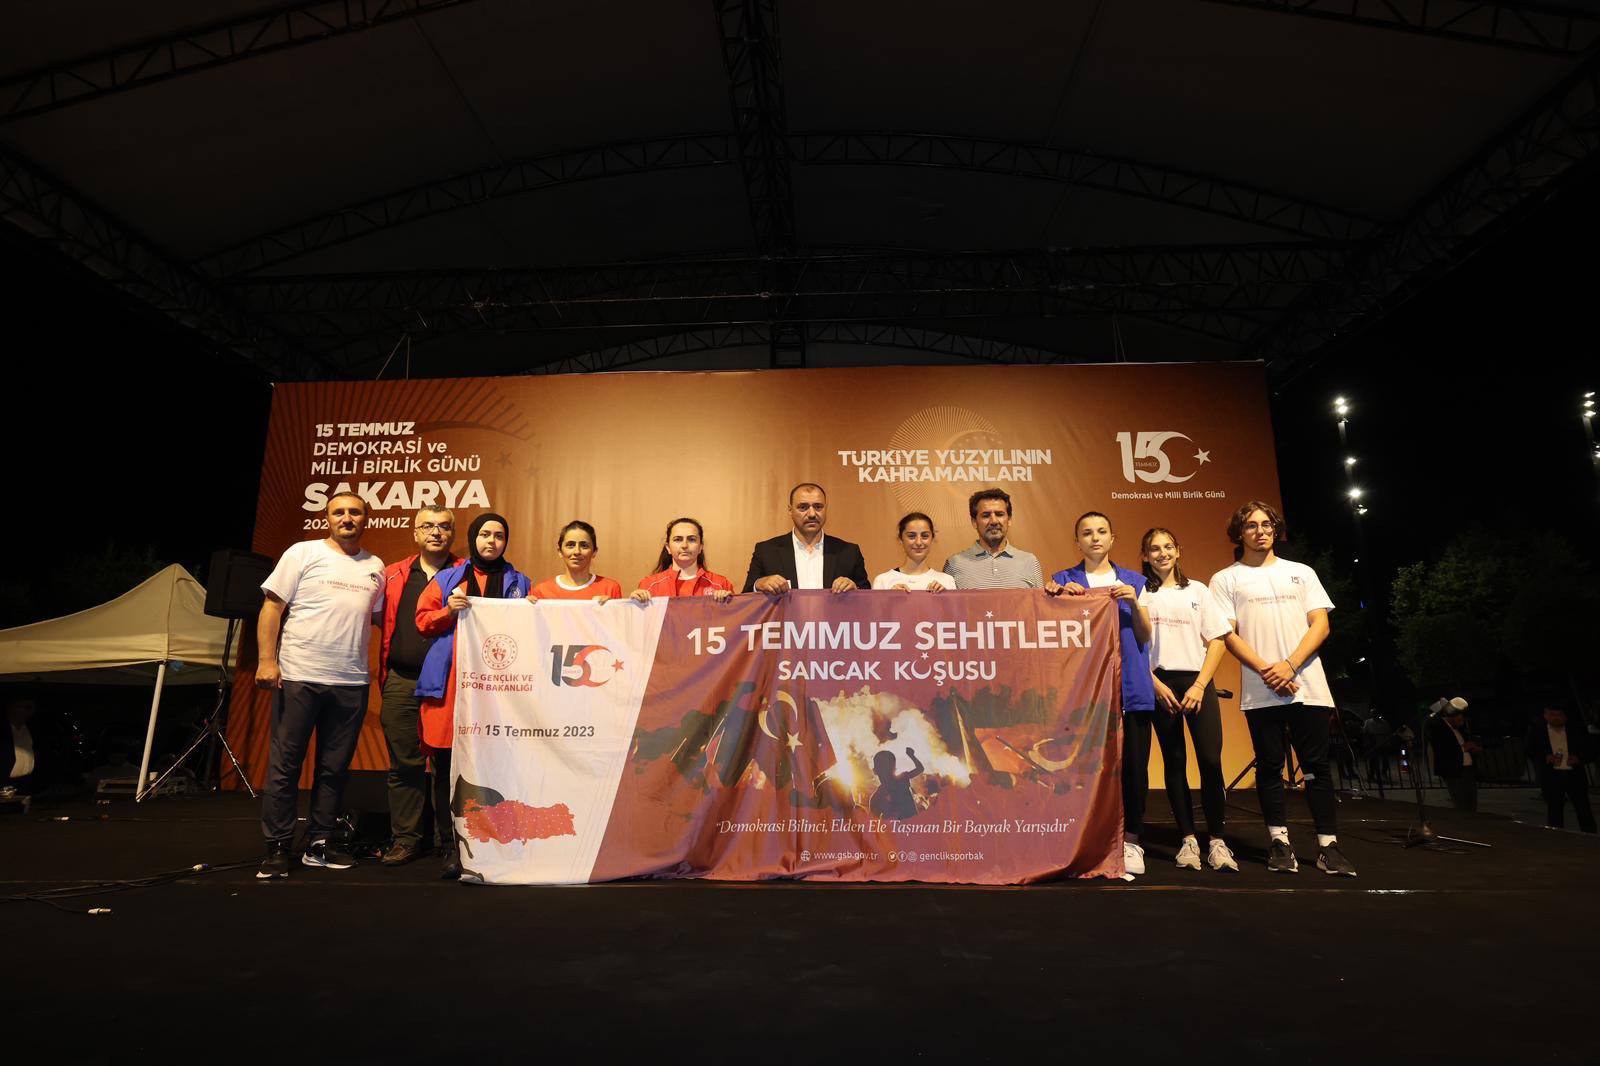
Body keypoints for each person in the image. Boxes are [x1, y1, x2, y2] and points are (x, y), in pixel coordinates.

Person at [1202, 501, 1356, 876]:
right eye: (1252, 525)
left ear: (1275, 529)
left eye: (1267, 524)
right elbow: (1226, 634)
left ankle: (1328, 846)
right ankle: (1279, 843)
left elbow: (1321, 625)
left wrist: (1289, 665)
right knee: (1269, 766)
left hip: (1308, 685)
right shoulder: (1225, 579)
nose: (1261, 531)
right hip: (1261, 690)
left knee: (1316, 768)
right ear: (1239, 533)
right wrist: (1267, 670)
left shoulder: (1301, 573)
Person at [255, 491, 385, 879]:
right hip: (299, 675)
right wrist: (266, 660)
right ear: (327, 518)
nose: (347, 518)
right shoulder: (302, 553)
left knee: (334, 769)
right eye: (338, 512)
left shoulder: (375, 566)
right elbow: (271, 608)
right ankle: (278, 847)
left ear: (366, 519)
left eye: (355, 512)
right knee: (285, 765)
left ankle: (319, 844)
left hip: (351, 681)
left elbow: (379, 620)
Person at [414, 513, 533, 877]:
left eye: (499, 535)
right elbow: (422, 621)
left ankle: (494, 842)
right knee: (447, 766)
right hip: (451, 685)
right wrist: (447, 611)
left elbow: (532, 628)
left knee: (497, 765)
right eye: (484, 534)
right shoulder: (447, 579)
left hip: (499, 691)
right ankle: (450, 846)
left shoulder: (520, 582)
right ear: (472, 538)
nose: (491, 541)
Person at [1047, 511, 1156, 876]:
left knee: (1134, 767)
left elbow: (1144, 635)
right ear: (1077, 541)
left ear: (1112, 538)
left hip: (1131, 685)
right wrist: (1060, 599)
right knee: (1085, 767)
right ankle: (1084, 841)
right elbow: (1052, 633)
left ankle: (1133, 841)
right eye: (1087, 533)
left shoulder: (1135, 581)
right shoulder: (1063, 580)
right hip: (1085, 691)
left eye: (1101, 531)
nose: (1094, 538)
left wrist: (1134, 603)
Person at [1138, 526, 1235, 872]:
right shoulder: (1140, 593)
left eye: (1168, 546)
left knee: (1210, 760)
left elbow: (1218, 640)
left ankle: (1218, 842)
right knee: (1174, 761)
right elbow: (1132, 647)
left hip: (1197, 682)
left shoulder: (1198, 590)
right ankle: (1188, 840)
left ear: (1178, 550)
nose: (1162, 553)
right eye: (1154, 548)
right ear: (1145, 555)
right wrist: (1153, 684)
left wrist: (1199, 685)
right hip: (1160, 686)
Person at [375, 506, 463, 867]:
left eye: (444, 526)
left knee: (448, 764)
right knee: (404, 764)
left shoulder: (468, 573)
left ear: (453, 533)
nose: (436, 532)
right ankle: (406, 839)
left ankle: (450, 842)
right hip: (402, 680)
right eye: (427, 526)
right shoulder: (393, 574)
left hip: (450, 685)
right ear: (415, 533)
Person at [744, 483, 869, 595]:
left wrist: (855, 589)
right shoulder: (766, 551)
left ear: (826, 508)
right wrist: (758, 584)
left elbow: (868, 598)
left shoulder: (849, 552)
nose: (812, 514)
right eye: (803, 507)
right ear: (790, 510)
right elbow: (744, 599)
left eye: (818, 507)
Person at [941, 489, 1045, 589]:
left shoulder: (1030, 561)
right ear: (974, 522)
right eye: (986, 515)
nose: (994, 521)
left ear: (1009, 519)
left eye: (999, 514)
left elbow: (1040, 601)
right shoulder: (954, 564)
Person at [1524, 701, 1595, 833]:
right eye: (1552, 715)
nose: (1556, 718)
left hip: (1574, 775)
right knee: (1555, 810)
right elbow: (1530, 750)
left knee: (1583, 808)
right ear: (1545, 716)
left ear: (1565, 716)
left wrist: (1578, 758)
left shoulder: (1576, 730)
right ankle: (1556, 837)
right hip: (1552, 776)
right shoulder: (1538, 731)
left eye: (1559, 715)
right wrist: (1546, 757)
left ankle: (1590, 836)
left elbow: (1590, 750)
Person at [631, 518, 735, 602]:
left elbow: (734, 618)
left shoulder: (720, 584)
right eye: (678, 539)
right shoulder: (649, 586)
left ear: (700, 546)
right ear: (668, 547)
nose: (684, 545)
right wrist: (635, 605)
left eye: (692, 539)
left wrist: (728, 604)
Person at [529, 520, 624, 602]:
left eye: (584, 546)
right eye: (570, 545)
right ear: (560, 551)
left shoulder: (610, 588)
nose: (577, 551)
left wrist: (612, 609)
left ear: (594, 552)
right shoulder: (541, 591)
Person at [872, 513, 952, 591]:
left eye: (925, 536)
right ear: (901, 539)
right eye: (911, 536)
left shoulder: (946, 581)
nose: (918, 542)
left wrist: (944, 597)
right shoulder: (883, 581)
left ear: (932, 539)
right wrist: (889, 597)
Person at [1427, 699, 1482, 813]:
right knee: (1461, 801)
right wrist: (1464, 748)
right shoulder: (1439, 728)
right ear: (1452, 717)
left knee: (1471, 799)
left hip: (1467, 769)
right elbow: (1442, 750)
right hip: (1453, 770)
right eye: (1459, 720)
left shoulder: (1458, 729)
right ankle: (1464, 821)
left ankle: (1471, 819)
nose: (1461, 723)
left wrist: (1472, 749)